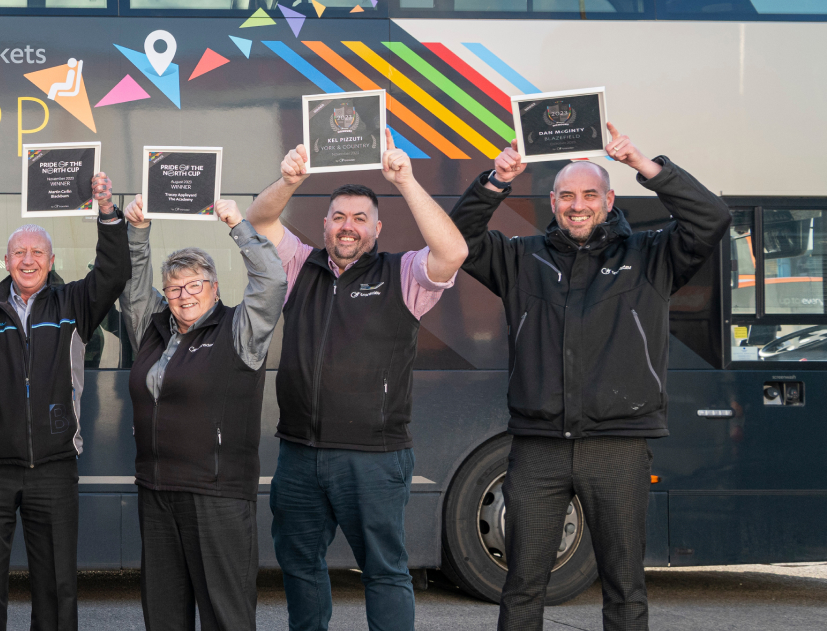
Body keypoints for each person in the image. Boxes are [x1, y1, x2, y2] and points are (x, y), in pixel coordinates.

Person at [453, 125, 728, 631]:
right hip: (538, 447)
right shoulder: (520, 258)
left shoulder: (650, 256)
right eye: (567, 196)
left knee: (625, 589)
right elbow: (456, 241)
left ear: (609, 199)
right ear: (553, 201)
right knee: (521, 589)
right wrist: (495, 180)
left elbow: (712, 219)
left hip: (618, 446)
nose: (577, 205)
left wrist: (648, 166)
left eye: (589, 195)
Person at [249, 130, 468, 631]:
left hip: (374, 457)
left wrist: (406, 180)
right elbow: (260, 219)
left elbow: (453, 252)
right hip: (299, 454)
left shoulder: (404, 274)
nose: (349, 227)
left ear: (377, 227)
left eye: (360, 219)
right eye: (340, 218)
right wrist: (288, 181)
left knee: (384, 571)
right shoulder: (299, 266)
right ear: (325, 224)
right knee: (301, 568)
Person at [0, 172, 129, 631]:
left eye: (37, 253)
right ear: (7, 260)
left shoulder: (74, 302)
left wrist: (107, 212)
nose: (28, 260)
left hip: (53, 466)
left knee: (55, 584)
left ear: (51, 260)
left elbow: (114, 271)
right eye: (19, 253)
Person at [116, 197, 285, 631]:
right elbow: (132, 286)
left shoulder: (240, 329)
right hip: (156, 491)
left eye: (195, 285)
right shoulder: (153, 328)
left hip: (217, 495)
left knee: (225, 616)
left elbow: (272, 283)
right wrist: (138, 232)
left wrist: (238, 225)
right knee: (164, 616)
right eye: (174, 288)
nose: (184, 295)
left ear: (214, 287)